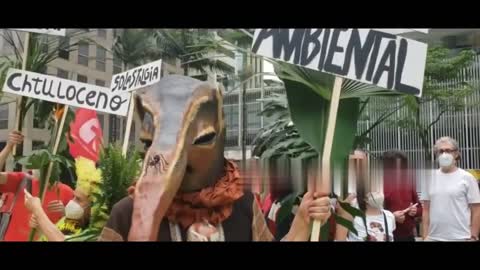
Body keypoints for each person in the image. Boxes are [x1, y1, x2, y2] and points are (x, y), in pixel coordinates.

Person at [98, 75, 332, 242]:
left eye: (200, 139)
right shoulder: (126, 213)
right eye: (153, 143)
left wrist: (303, 219)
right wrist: (145, 219)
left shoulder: (241, 204)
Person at [0, 130, 73, 241]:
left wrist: (65, 213)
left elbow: (74, 228)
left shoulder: (67, 192)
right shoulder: (22, 180)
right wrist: (8, 147)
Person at [25, 157, 104, 241]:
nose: (72, 202)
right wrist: (41, 228)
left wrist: (38, 211)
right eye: (74, 197)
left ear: (94, 206)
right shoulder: (68, 221)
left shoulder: (94, 234)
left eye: (78, 199)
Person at [421, 136, 480, 241]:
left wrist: (474, 236)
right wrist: (425, 236)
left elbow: (476, 209)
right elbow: (426, 209)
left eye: (448, 150)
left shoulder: (467, 178)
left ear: (456, 154)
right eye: (441, 151)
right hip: (434, 237)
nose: (444, 154)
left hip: (461, 237)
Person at [383, 150, 422, 241]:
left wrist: (415, 211)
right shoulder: (377, 184)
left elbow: (420, 208)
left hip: (408, 236)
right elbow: (371, 213)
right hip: (386, 235)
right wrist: (392, 217)